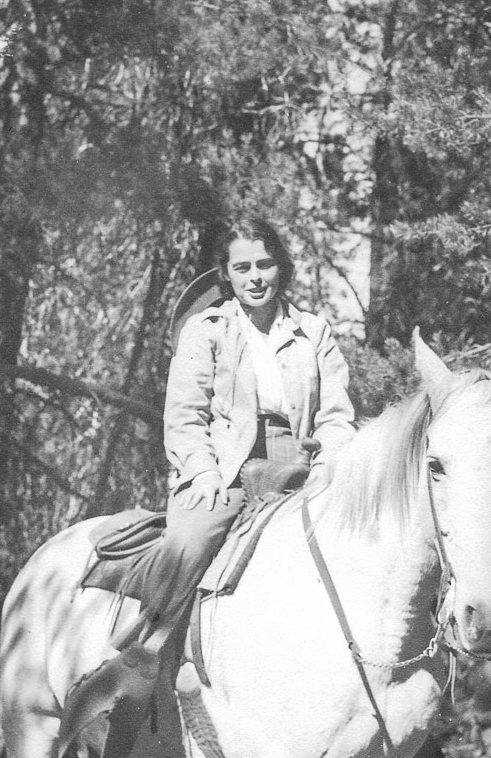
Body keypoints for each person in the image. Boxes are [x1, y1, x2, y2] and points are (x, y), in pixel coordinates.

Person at [140, 216, 356, 656]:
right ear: (226, 274)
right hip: (226, 467)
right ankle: (148, 653)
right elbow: (184, 415)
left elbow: (335, 415)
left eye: (265, 264)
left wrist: (332, 464)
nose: (255, 278)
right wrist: (201, 472)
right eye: (242, 268)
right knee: (189, 542)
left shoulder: (312, 331)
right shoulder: (208, 329)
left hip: (300, 465)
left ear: (281, 267)